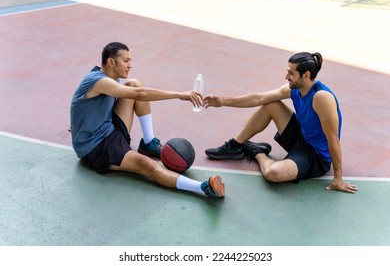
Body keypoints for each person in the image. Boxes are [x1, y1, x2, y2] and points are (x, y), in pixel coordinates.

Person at [70, 42, 224, 198]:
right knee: (147, 165)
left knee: (134, 83)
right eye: (126, 61)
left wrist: (79, 125)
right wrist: (180, 94)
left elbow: (84, 106)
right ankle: (204, 188)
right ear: (111, 62)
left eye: (130, 60)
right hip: (96, 148)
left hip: (109, 129)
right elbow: (139, 94)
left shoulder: (110, 77)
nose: (130, 65)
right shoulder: (98, 81)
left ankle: (148, 142)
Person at [203, 52, 357, 193]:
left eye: (291, 73)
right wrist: (222, 101)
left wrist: (338, 178)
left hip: (315, 156)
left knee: (272, 173)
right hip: (301, 136)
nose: (286, 76)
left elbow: (333, 139)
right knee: (272, 104)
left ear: (306, 75)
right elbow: (259, 98)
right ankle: (234, 146)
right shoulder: (294, 89)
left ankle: (258, 152)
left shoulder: (322, 98)